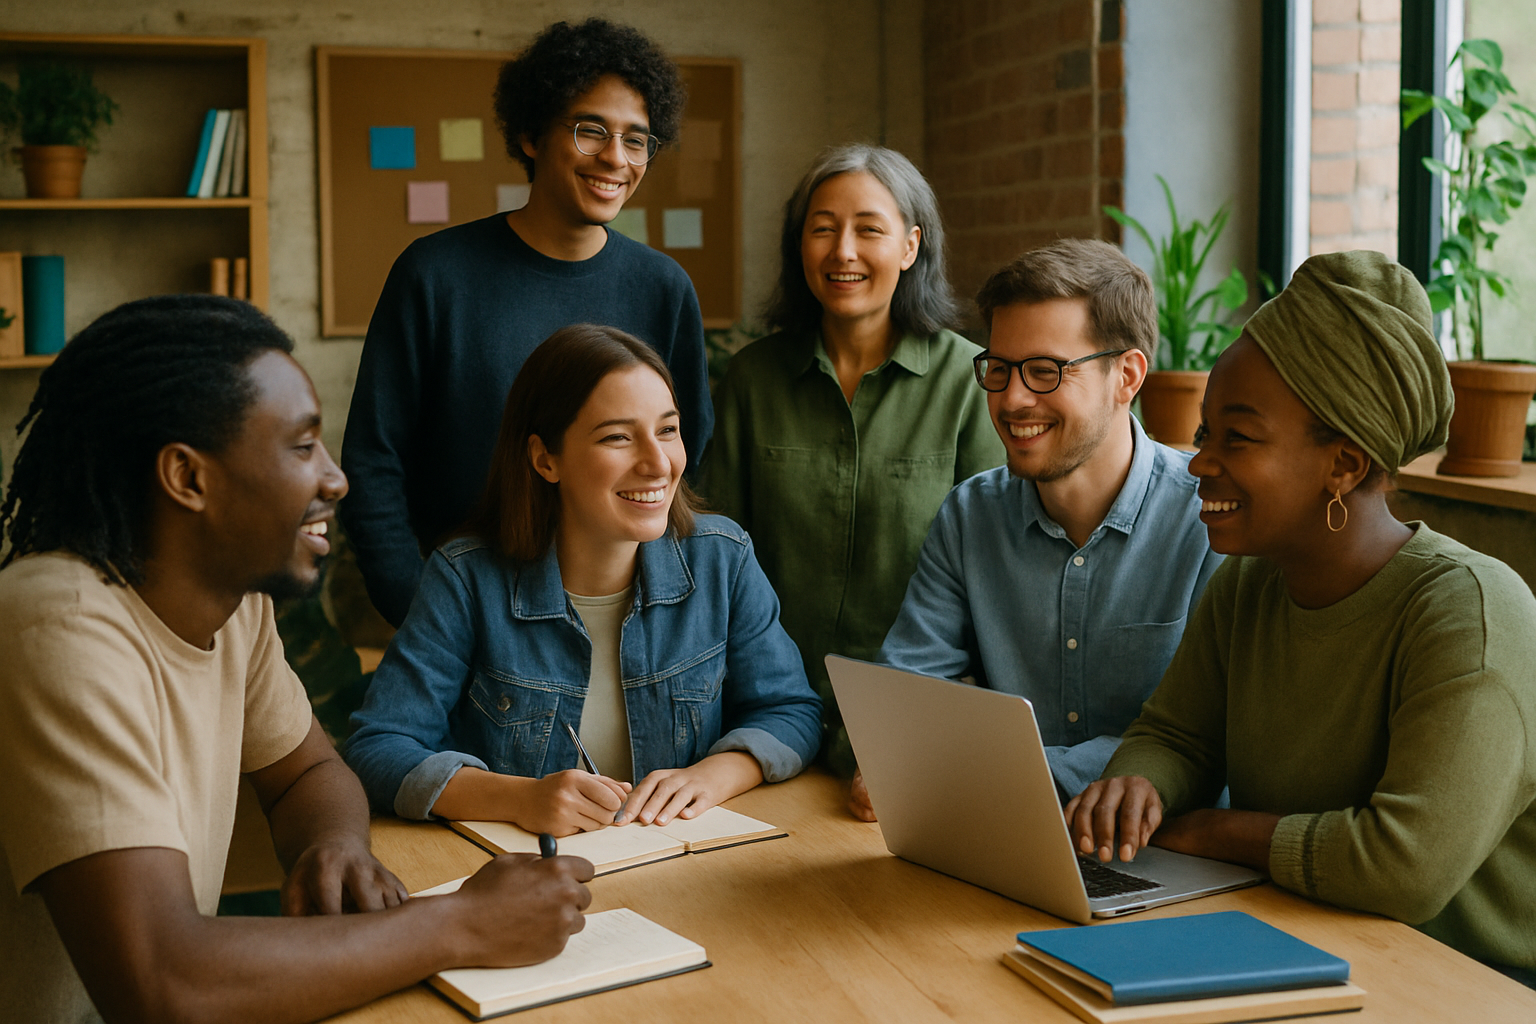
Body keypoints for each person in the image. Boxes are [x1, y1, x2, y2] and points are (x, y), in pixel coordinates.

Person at [0, 296, 594, 1024]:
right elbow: (160, 982)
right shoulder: (55, 624)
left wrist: (332, 845)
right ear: (188, 478)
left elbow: (306, 772)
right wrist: (462, 924)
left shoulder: (234, 605)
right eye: (302, 446)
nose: (336, 479)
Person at [1066, 251, 1536, 984]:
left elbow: (1404, 867)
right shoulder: (1249, 584)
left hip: (1465, 985)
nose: (1199, 464)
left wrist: (1219, 830)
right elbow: (1175, 733)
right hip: (1305, 945)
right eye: (1203, 434)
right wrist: (1141, 786)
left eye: (1237, 439)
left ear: (1343, 464)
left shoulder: (1471, 614)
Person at [345, 324, 821, 835]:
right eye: (618, 437)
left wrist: (715, 775)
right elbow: (377, 748)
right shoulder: (466, 578)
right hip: (530, 884)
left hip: (687, 873)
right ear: (545, 459)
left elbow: (790, 709)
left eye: (667, 430)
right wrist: (519, 799)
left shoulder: (724, 559)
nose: (658, 463)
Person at [341, 17, 712, 628]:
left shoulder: (663, 288)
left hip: (621, 617)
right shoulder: (435, 275)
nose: (615, 158)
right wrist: (419, 614)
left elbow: (689, 456)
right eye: (591, 130)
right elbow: (374, 461)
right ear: (531, 134)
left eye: (637, 139)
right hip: (463, 613)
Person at [852, 239, 1222, 818]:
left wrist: (996, 774)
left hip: (1171, 847)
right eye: (999, 369)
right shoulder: (970, 515)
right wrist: (892, 756)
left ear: (1127, 376)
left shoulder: (1208, 522)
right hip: (999, 828)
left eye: (1046, 371)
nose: (1013, 398)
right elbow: (908, 691)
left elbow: (1208, 735)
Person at [700, 144, 1003, 775]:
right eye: (822, 229)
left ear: (911, 246)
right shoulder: (753, 380)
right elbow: (712, 555)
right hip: (763, 719)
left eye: (869, 229)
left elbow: (992, 576)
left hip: (913, 727)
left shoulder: (970, 384)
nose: (843, 251)